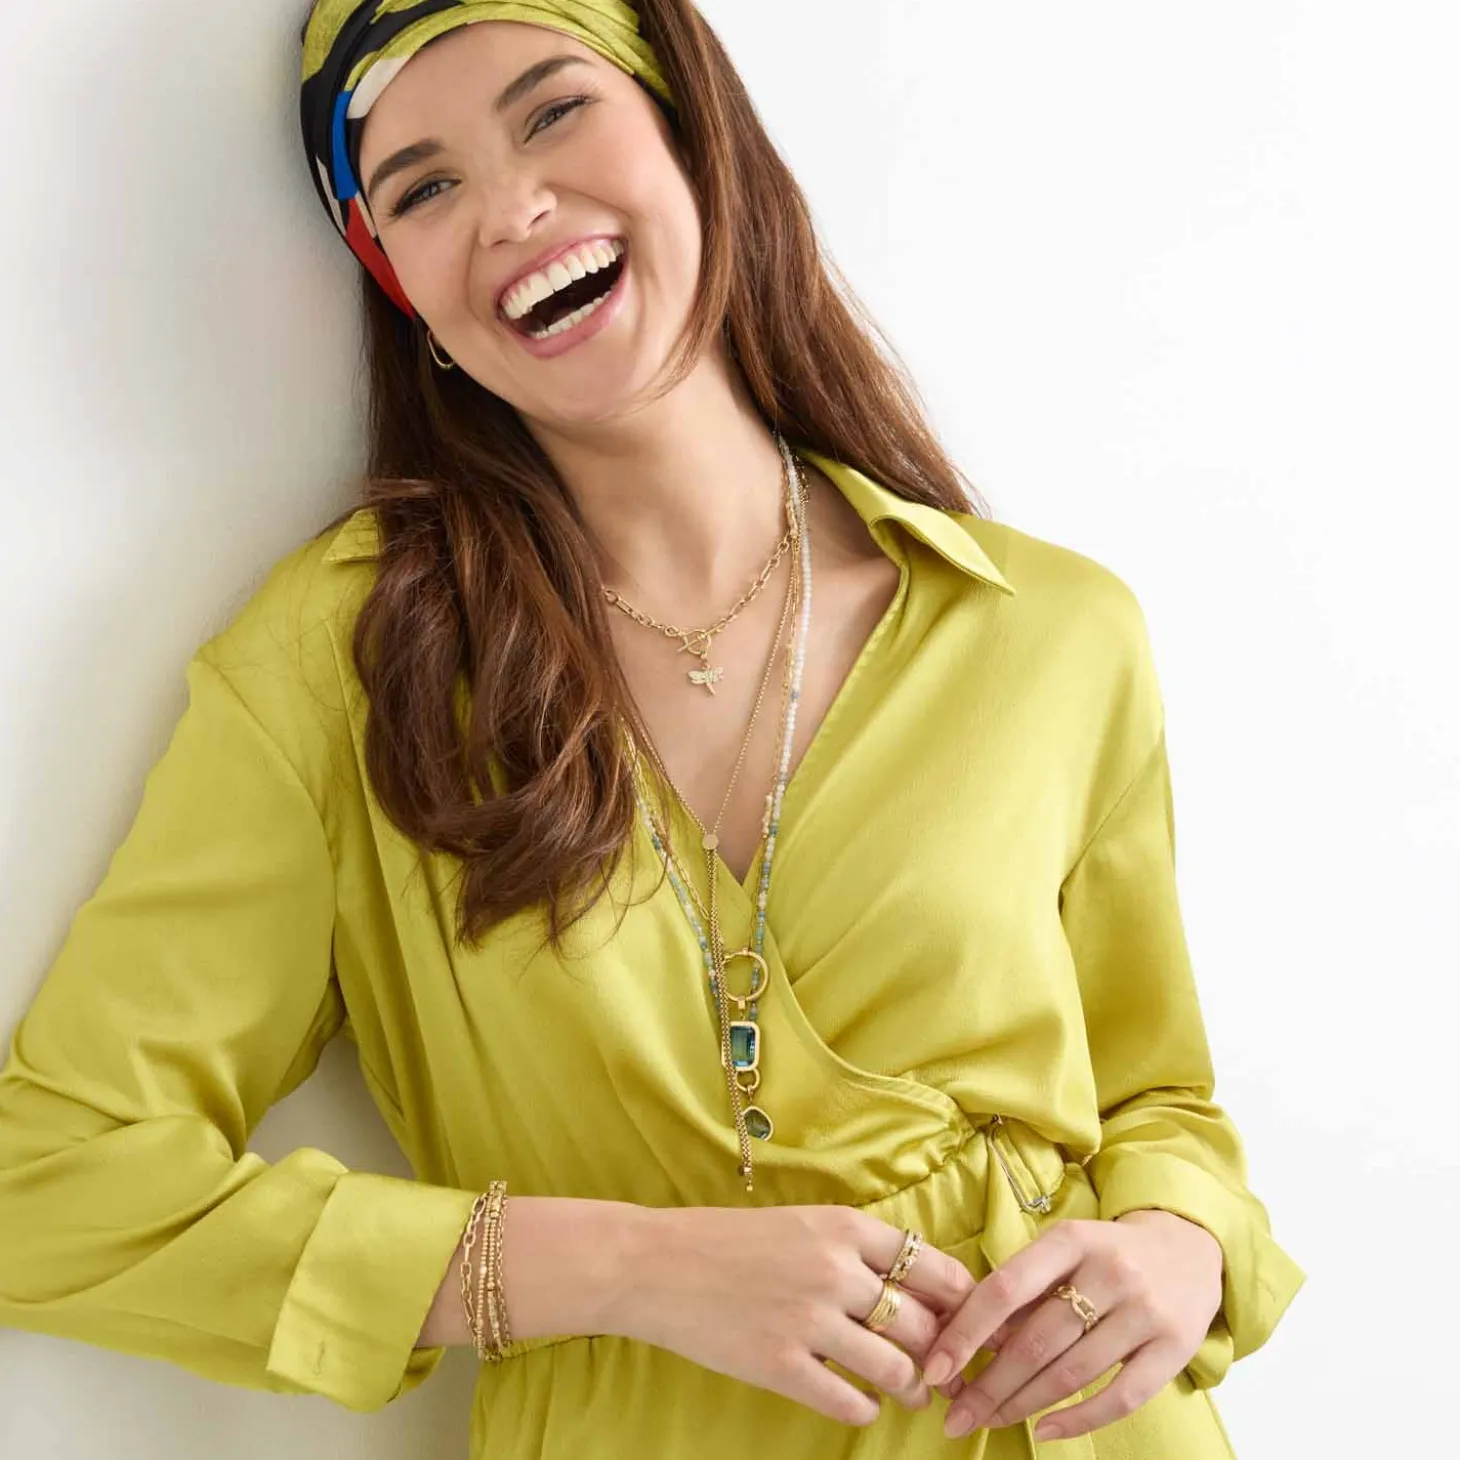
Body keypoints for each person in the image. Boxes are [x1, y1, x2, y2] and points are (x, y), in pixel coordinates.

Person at [0, 2, 1304, 1455]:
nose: (512, 208)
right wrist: (623, 1265)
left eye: (555, 110)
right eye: (425, 187)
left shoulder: (1050, 631)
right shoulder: (345, 661)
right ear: (393, 280)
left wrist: (1183, 1242)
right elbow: (47, 1182)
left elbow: (1156, 1099)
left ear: (695, 133)